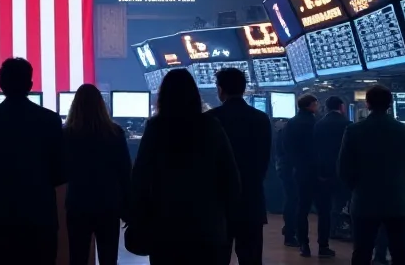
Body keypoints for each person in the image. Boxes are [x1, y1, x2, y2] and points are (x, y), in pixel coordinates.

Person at [129, 68, 240, 264]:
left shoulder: (156, 127)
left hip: (165, 225)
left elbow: (141, 177)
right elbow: (230, 176)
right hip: (206, 224)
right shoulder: (211, 126)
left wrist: (136, 215)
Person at [0, 57, 65, 265]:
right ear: (30, 85)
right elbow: (60, 172)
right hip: (39, 215)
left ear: (1, 85)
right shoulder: (50, 120)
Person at [338, 85, 405, 265]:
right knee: (400, 253)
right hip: (398, 200)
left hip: (364, 200)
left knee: (362, 252)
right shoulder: (404, 130)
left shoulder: (353, 131)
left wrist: (357, 188)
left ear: (367, 104)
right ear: (390, 104)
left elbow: (344, 168)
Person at [205, 68, 271, 265]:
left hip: (218, 203)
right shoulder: (261, 118)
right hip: (251, 200)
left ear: (220, 90)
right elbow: (264, 160)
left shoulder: (210, 119)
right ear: (243, 89)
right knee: (251, 258)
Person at [63, 83, 131, 265]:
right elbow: (125, 172)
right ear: (102, 105)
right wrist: (128, 209)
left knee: (77, 258)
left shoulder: (67, 134)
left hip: (78, 202)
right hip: (108, 203)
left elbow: (61, 170)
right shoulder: (115, 132)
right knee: (109, 259)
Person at [284, 94, 335, 257]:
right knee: (324, 211)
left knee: (302, 209)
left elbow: (287, 148)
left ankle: (304, 245)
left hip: (300, 172)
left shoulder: (291, 123)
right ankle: (323, 246)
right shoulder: (317, 123)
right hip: (318, 174)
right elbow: (321, 150)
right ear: (311, 105)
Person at [315, 96, 352, 243]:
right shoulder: (347, 124)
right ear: (341, 106)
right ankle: (341, 228)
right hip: (343, 169)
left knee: (327, 203)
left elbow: (316, 149)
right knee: (342, 201)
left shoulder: (319, 124)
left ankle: (329, 230)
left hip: (324, 170)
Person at [273, 118, 298, 247]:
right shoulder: (293, 131)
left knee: (290, 199)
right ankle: (290, 232)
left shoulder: (281, 132)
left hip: (284, 169)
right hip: (293, 170)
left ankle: (289, 229)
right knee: (294, 201)